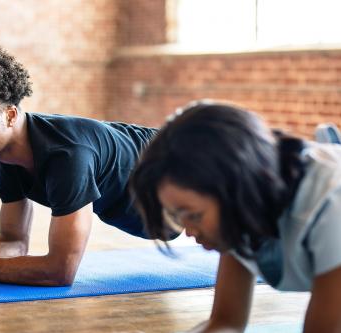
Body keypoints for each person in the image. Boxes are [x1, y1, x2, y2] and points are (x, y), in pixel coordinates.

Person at [0, 44, 177, 286]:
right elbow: (12, 243)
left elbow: (60, 271)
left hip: (183, 161)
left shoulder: (67, 156)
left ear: (9, 115)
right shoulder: (7, 160)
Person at [130, 101, 341, 332]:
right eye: (178, 216)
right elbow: (226, 322)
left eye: (194, 215)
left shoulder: (330, 206)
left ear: (238, 190)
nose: (189, 231)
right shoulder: (240, 215)